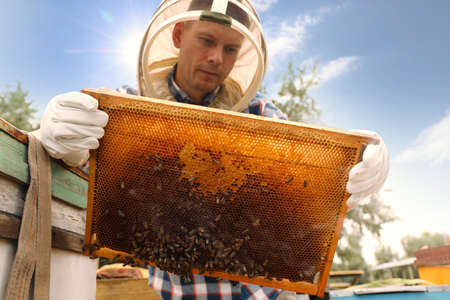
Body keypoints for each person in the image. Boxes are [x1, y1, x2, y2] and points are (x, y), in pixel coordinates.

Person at [35, 0, 389, 299]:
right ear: (177, 35)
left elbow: (315, 182)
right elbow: (81, 167)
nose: (217, 58)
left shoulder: (261, 114)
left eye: (230, 48)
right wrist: (56, 138)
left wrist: (356, 168)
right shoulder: (128, 109)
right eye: (206, 40)